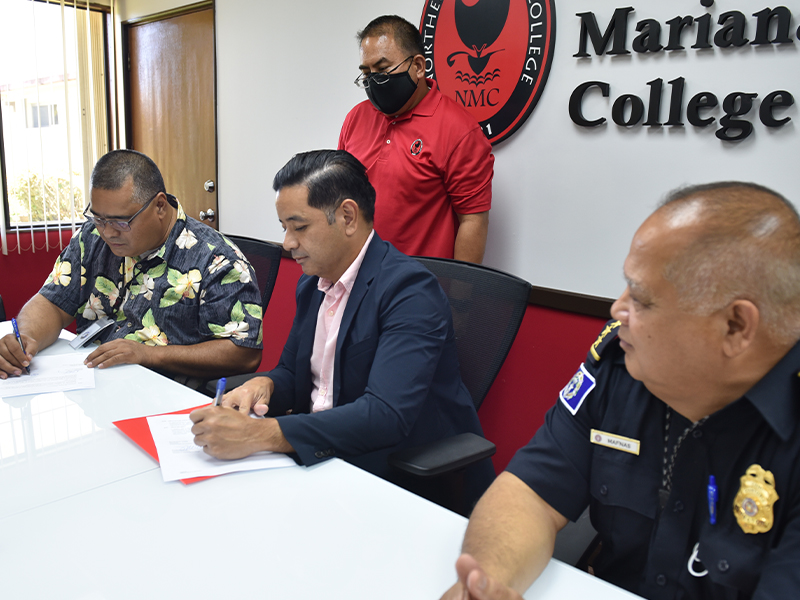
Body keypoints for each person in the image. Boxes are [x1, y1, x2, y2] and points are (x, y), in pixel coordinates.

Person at [441, 182, 800, 600]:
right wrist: (488, 582)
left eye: (642, 299)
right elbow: (529, 495)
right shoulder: (622, 367)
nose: (617, 309)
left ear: (735, 327)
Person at [190, 150, 494, 503]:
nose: (288, 243)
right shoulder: (314, 282)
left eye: (299, 227)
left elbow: (385, 416)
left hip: (396, 476)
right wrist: (265, 384)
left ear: (348, 216)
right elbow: (294, 371)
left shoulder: (410, 292)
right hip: (324, 455)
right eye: (284, 228)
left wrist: (262, 435)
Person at [0, 149, 262, 386]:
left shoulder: (217, 261)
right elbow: (52, 302)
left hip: (164, 397)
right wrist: (24, 340)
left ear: (160, 206)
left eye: (120, 222)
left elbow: (244, 353)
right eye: (99, 218)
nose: (107, 232)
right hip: (90, 383)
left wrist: (149, 355)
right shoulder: (92, 237)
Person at [339, 15, 494, 263]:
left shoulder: (459, 131)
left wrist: (459, 295)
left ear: (419, 66)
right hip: (358, 277)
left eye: (382, 69)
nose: (373, 80)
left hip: (420, 287)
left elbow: (472, 219)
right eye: (367, 72)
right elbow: (342, 195)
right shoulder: (355, 119)